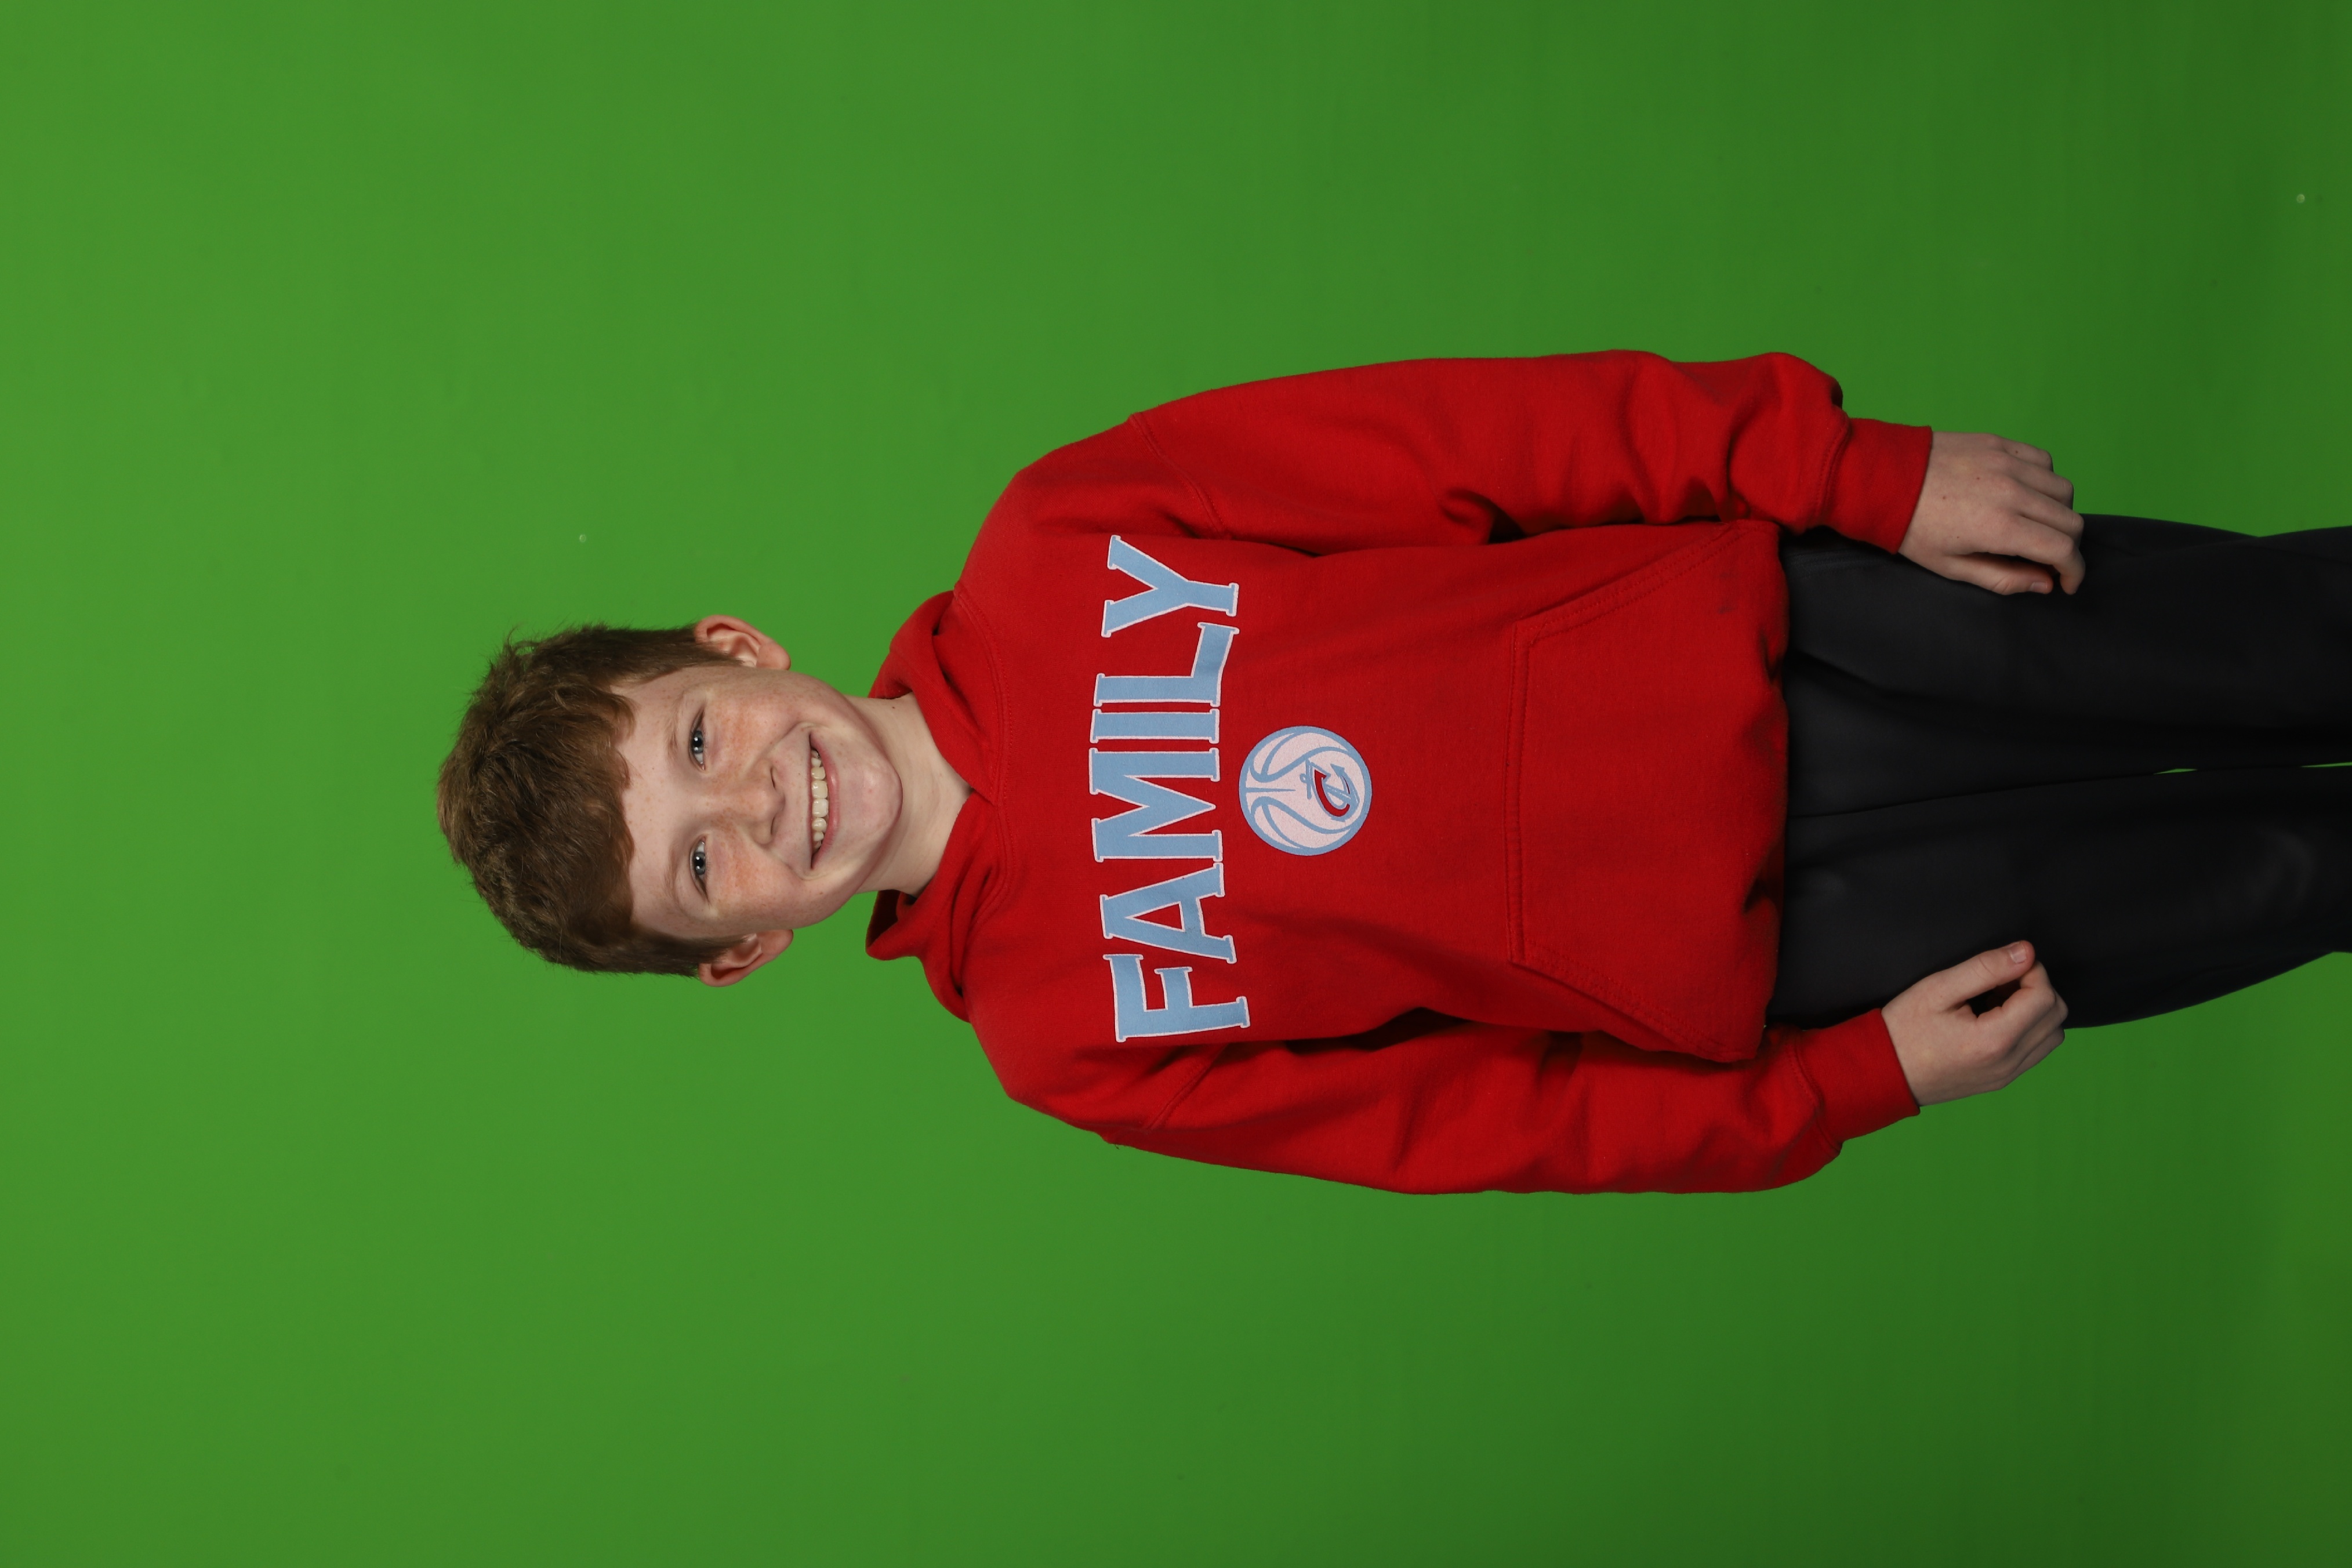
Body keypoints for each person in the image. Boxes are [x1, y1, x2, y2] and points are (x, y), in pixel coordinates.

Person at [438, 352, 2352, 1193]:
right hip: (1813, 949)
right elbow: (1477, 1125)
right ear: (741, 950)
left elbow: (1472, 435)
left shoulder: (1056, 542)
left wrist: (1848, 469)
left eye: (699, 744)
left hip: (1805, 632)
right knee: (2289, 873)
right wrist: (1842, 1086)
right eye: (703, 866)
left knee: (2287, 638)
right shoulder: (1062, 1041)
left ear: (735, 651)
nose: (752, 804)